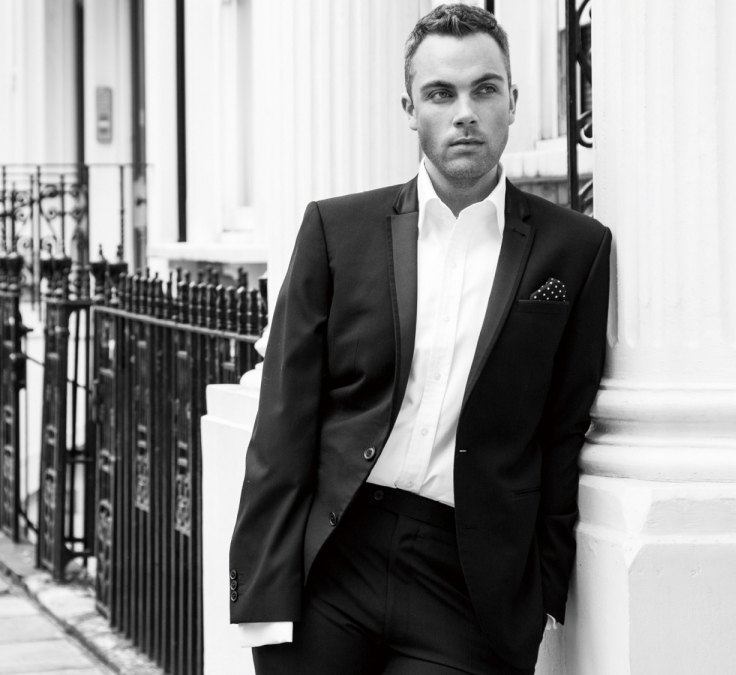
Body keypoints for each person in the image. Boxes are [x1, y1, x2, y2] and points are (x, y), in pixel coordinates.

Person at [228, 5, 611, 674]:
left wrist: (544, 593)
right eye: (440, 93)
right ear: (410, 108)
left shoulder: (574, 249)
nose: (465, 113)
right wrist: (261, 592)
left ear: (513, 101)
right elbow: (284, 421)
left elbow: (563, 429)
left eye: (484, 89)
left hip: (467, 586)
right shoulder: (337, 231)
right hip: (333, 561)